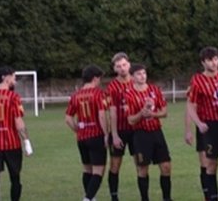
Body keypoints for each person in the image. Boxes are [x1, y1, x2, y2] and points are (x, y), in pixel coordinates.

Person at [187, 46, 218, 201]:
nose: (214, 63)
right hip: (211, 126)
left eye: (216, 59)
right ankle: (212, 197)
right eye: (210, 60)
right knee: (211, 164)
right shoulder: (197, 80)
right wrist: (198, 123)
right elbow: (191, 105)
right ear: (203, 62)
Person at [0, 66, 31, 201]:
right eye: (14, 78)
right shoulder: (13, 97)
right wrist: (26, 141)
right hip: (11, 144)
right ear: (5, 78)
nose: (15, 81)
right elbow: (18, 122)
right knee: (15, 178)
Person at [125, 64, 173, 201]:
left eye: (144, 73)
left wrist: (153, 114)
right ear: (133, 76)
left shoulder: (154, 89)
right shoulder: (129, 94)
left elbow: (164, 112)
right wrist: (141, 113)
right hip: (141, 135)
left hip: (156, 132)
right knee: (142, 169)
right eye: (139, 74)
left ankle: (167, 198)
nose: (142, 76)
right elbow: (130, 120)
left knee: (166, 166)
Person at [67, 64, 109, 201]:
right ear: (95, 78)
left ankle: (91, 197)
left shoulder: (76, 95)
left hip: (82, 137)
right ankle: (88, 198)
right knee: (98, 170)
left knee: (87, 169)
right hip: (96, 135)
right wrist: (106, 134)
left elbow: (68, 118)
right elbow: (102, 115)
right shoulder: (98, 94)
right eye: (99, 78)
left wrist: (77, 129)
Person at [106, 53, 135, 201]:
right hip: (120, 130)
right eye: (119, 66)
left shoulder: (137, 81)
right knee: (115, 165)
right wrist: (114, 134)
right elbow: (112, 112)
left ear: (129, 65)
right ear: (115, 69)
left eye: (124, 65)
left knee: (141, 164)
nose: (122, 68)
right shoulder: (112, 87)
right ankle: (114, 197)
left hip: (137, 130)